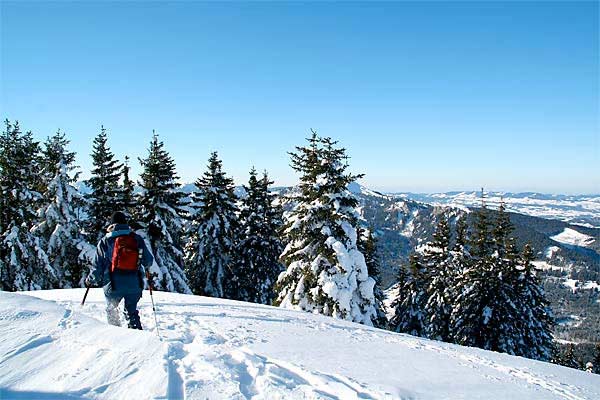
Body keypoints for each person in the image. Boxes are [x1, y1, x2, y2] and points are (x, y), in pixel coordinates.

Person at [85, 211, 153, 329]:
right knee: (131, 312)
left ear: (111, 224)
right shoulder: (136, 238)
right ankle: (138, 338)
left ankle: (116, 336)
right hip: (134, 283)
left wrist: (91, 280)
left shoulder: (105, 241)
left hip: (113, 284)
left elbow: (98, 266)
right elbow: (148, 260)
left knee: (112, 310)